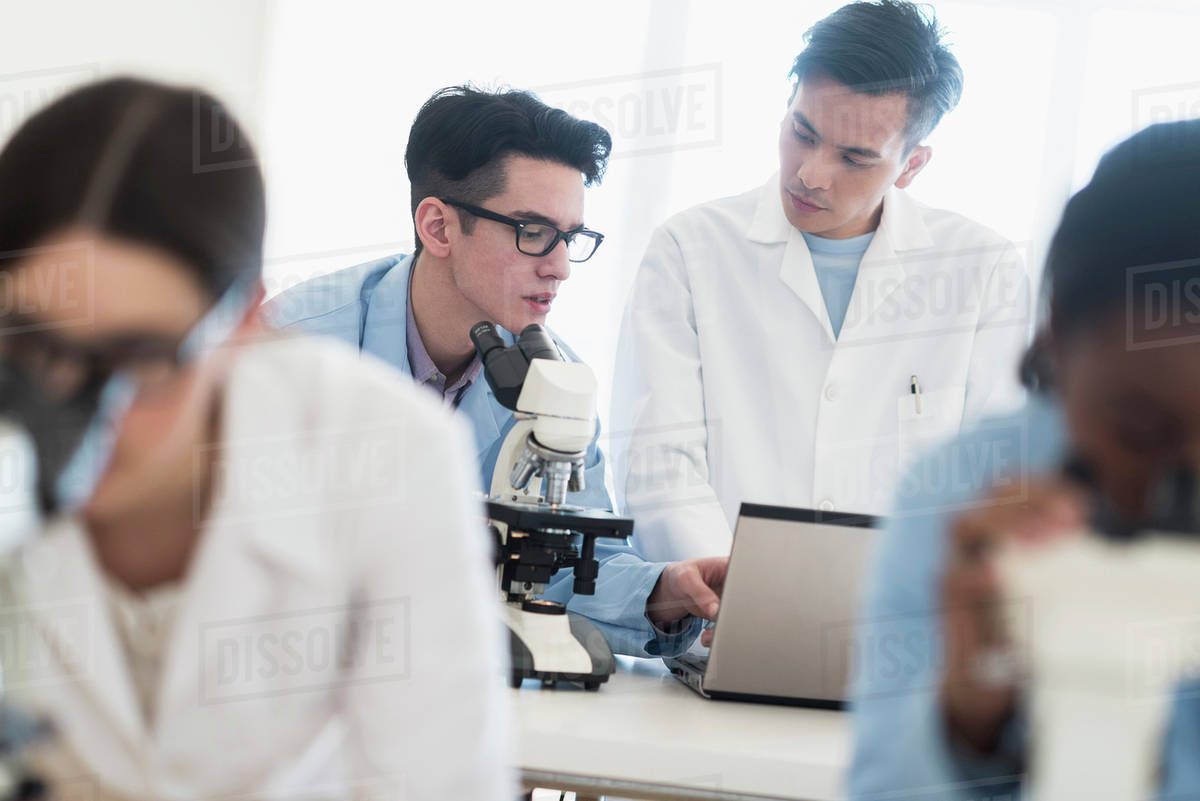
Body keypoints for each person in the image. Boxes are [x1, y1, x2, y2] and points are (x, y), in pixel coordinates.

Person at [0, 78, 511, 800]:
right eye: (37, 350)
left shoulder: (388, 450)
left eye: (141, 359)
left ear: (245, 323)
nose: (86, 413)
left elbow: (438, 783)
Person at [266, 86, 727, 656]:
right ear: (438, 228)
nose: (559, 267)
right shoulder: (291, 346)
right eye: (532, 233)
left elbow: (568, 560)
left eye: (572, 238)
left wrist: (661, 592)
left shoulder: (558, 380)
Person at [848, 118, 1200, 798]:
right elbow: (885, 785)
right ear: (1060, 336)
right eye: (1140, 428)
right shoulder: (959, 499)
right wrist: (973, 715)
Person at [611, 0, 1032, 562]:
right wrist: (736, 600)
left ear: (911, 166)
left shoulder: (984, 269)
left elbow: (992, 481)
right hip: (715, 622)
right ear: (787, 105)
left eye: (855, 159)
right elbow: (658, 464)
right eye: (802, 133)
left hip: (900, 628)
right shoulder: (691, 249)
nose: (811, 175)